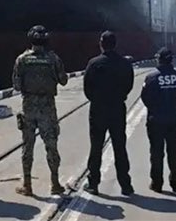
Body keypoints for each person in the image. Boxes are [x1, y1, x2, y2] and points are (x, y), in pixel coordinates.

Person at [13, 25, 69, 196]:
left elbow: (16, 85)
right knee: (51, 146)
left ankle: (27, 185)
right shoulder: (53, 59)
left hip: (28, 107)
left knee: (27, 147)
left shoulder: (22, 59)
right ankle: (55, 183)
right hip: (47, 108)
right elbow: (63, 80)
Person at [82, 31, 134, 196]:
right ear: (115, 44)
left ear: (101, 44)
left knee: (96, 146)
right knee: (120, 146)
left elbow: (87, 88)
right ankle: (126, 185)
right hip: (117, 108)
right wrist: (119, 96)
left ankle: (93, 184)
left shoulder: (93, 63)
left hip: (98, 109)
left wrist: (97, 99)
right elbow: (129, 85)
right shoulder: (125, 64)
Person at [141, 47, 176, 193]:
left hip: (156, 120)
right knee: (174, 151)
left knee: (156, 152)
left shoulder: (151, 77)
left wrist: (155, 109)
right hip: (175, 119)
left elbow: (145, 98)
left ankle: (157, 183)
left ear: (159, 60)